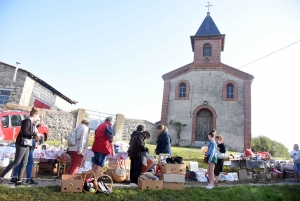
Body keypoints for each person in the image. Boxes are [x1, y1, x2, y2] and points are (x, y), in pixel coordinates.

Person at [0, 107, 40, 186]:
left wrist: (35, 131)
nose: (38, 118)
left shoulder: (31, 123)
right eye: (38, 116)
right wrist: (35, 135)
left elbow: (30, 132)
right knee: (17, 161)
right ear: (34, 115)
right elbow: (25, 132)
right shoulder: (27, 121)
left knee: (24, 162)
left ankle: (19, 181)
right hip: (22, 143)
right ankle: (1, 176)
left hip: (27, 143)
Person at [9, 118, 42, 185]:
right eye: (37, 119)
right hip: (27, 143)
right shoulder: (29, 124)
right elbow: (27, 134)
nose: (37, 121)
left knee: (21, 161)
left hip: (29, 143)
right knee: (29, 161)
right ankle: (28, 179)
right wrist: (35, 136)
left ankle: (15, 177)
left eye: (38, 120)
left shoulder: (34, 126)